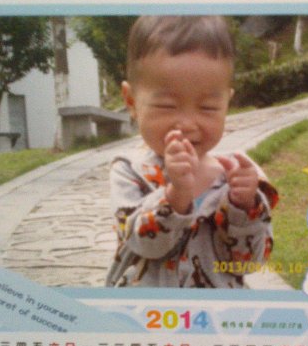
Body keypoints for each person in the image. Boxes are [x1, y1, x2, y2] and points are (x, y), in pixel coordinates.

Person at [106, 16, 278, 288]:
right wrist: (176, 196)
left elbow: (249, 263)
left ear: (226, 104)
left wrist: (244, 207)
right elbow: (144, 245)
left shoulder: (238, 176)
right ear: (131, 101)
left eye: (208, 107)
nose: (187, 124)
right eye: (166, 105)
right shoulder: (129, 171)